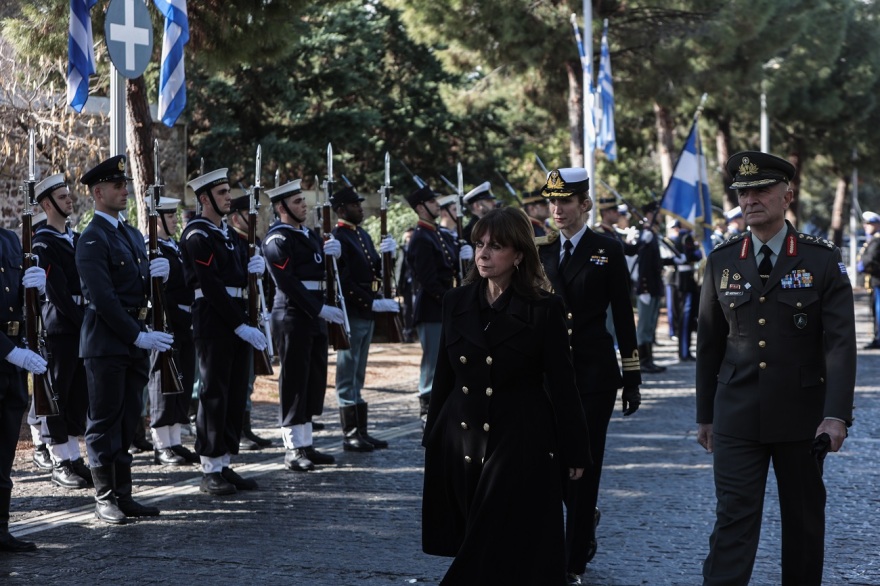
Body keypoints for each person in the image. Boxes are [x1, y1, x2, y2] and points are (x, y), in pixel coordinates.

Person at [696, 151, 856, 586]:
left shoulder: (821, 259)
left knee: (803, 522)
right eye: (743, 193)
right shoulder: (722, 259)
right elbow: (709, 343)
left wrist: (836, 415)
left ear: (787, 196)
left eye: (761, 190)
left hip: (802, 417)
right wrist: (706, 415)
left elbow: (841, 344)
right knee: (733, 519)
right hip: (736, 413)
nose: (750, 200)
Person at [422, 206, 590, 584]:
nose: (483, 254)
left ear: (518, 255)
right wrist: (433, 437)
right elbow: (444, 377)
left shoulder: (544, 308)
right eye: (479, 244)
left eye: (495, 246)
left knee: (490, 534)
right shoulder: (455, 301)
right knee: (484, 539)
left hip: (519, 435)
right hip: (462, 437)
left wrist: (576, 449)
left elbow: (563, 385)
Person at [536, 168, 642, 584]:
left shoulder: (606, 250)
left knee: (585, 466)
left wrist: (631, 376)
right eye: (552, 202)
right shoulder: (541, 251)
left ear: (585, 205)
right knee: (552, 463)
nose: (557, 209)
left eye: (565, 201)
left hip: (593, 375)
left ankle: (573, 561)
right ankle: (582, 519)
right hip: (548, 374)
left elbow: (623, 315)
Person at [75, 155, 171, 523]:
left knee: (129, 419)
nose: (124, 191)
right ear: (98, 193)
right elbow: (103, 299)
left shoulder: (130, 234)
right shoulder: (92, 239)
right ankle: (104, 497)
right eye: (116, 186)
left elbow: (139, 289)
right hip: (105, 343)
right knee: (104, 421)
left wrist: (164, 273)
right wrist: (136, 335)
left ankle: (124, 494)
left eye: (124, 185)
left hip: (134, 341)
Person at [181, 167, 266, 496]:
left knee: (234, 393)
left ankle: (225, 460)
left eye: (229, 191)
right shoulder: (197, 235)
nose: (229, 197)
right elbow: (212, 286)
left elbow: (235, 280)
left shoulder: (228, 234)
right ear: (204, 199)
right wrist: (239, 324)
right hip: (214, 322)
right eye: (222, 193)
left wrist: (253, 270)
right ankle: (209, 467)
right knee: (214, 394)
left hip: (236, 319)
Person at [262, 179, 341, 471]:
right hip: (293, 315)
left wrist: (337, 256)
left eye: (303, 200)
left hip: (314, 315)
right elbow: (288, 283)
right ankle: (292, 448)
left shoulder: (309, 235)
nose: (304, 205)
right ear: (281, 207)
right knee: (294, 380)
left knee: (313, 379)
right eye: (297, 202)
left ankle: (306, 443)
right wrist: (319, 308)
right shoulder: (277, 239)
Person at [31, 174, 92, 489]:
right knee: (57, 394)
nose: (70, 200)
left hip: (80, 323)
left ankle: (73, 457)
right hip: (60, 327)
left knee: (77, 394)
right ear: (47, 204)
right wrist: (84, 321)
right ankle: (58, 461)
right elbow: (57, 293)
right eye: (63, 197)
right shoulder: (42, 243)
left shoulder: (77, 239)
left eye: (69, 195)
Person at [330, 185, 399, 451]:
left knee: (358, 372)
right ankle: (350, 433)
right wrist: (370, 302)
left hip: (367, 311)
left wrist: (389, 257)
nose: (360, 209)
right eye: (355, 205)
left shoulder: (362, 235)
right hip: (353, 311)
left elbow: (374, 271)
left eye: (360, 204)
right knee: (347, 373)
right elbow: (344, 281)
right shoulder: (339, 237)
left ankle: (361, 430)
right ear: (341, 210)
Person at [404, 185, 472, 428]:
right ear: (421, 207)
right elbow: (428, 280)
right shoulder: (421, 238)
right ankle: (426, 409)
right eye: (432, 202)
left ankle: (442, 409)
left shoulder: (436, 234)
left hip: (444, 305)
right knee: (433, 361)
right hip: (432, 308)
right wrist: (450, 300)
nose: (437, 205)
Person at [0, 215, 46, 551]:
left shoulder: (10, 240)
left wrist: (37, 289)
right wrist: (10, 352)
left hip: (13, 362)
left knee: (5, 452)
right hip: (8, 353)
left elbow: (20, 303)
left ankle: (1, 528)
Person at [145, 196, 199, 466]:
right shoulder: (151, 249)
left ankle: (175, 440)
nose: (175, 220)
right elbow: (153, 292)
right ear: (156, 221)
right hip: (166, 322)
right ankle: (161, 444)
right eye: (169, 216)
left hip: (185, 322)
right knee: (163, 382)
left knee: (183, 380)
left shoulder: (174, 247)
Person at [226, 193, 274, 450]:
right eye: (249, 214)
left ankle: (245, 427)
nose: (256, 218)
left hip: (255, 315)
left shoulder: (255, 243)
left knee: (249, 377)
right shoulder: (232, 241)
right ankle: (237, 429)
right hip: (238, 317)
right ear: (236, 218)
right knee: (239, 380)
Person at [672, 222, 702, 361]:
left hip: (688, 280)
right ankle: (683, 351)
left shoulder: (687, 236)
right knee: (685, 317)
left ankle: (686, 350)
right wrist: (699, 253)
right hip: (685, 281)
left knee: (689, 318)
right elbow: (690, 256)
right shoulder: (685, 237)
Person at [858, 211, 880, 349]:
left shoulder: (877, 240)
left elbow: (869, 259)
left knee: (878, 311)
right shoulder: (873, 239)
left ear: (877, 224)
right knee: (875, 311)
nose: (866, 226)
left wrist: (861, 265)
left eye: (869, 223)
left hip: (878, 281)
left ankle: (879, 339)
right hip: (874, 281)